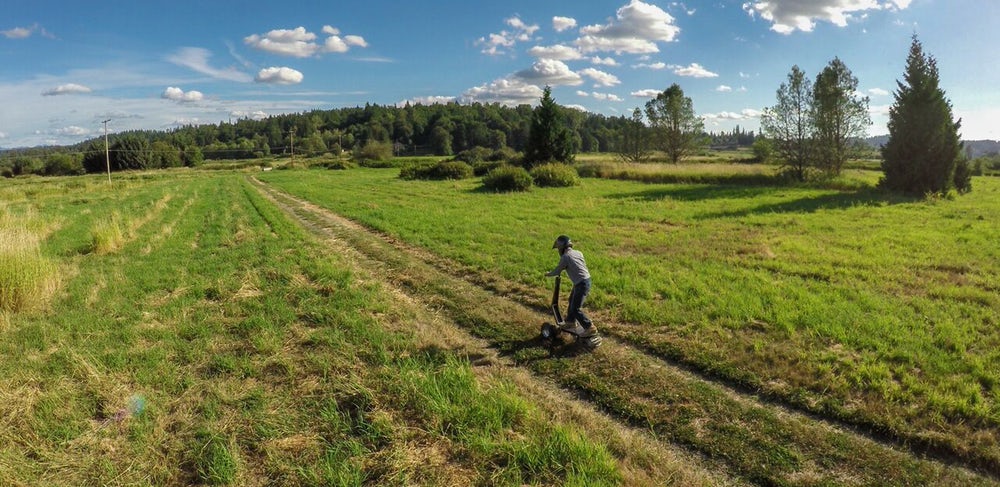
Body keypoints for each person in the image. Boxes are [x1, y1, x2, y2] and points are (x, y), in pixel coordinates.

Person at [545, 235, 597, 337]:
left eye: (558, 248)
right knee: (571, 300)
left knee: (575, 308)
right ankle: (570, 322)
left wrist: (549, 274)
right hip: (585, 280)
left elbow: (557, 270)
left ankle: (590, 327)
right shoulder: (578, 252)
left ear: (561, 248)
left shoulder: (565, 257)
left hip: (581, 283)